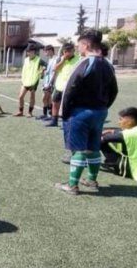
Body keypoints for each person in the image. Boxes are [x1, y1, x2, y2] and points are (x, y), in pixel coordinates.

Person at [55, 29, 118, 195]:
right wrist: (103, 106)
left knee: (78, 150)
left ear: (86, 45)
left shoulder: (85, 63)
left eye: (79, 45)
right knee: (93, 148)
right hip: (100, 112)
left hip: (80, 113)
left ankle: (72, 185)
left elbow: (70, 89)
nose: (77, 48)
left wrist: (65, 112)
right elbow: (114, 90)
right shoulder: (107, 64)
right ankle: (91, 180)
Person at [100, 107, 137, 181]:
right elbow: (120, 132)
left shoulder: (127, 135)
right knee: (109, 136)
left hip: (128, 170)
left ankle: (87, 162)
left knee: (100, 141)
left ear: (130, 121)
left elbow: (104, 138)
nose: (118, 122)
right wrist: (111, 130)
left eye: (121, 119)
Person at [45, 43, 80, 128]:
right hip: (59, 86)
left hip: (70, 87)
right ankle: (54, 121)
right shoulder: (60, 59)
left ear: (73, 51)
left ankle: (68, 123)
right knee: (55, 103)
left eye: (69, 51)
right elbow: (55, 69)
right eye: (65, 51)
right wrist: (63, 60)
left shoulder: (79, 59)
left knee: (68, 105)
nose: (67, 53)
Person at [15, 44, 45, 117]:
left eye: (30, 52)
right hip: (25, 81)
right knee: (20, 97)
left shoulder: (39, 60)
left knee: (32, 97)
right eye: (28, 52)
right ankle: (20, 111)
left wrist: (42, 72)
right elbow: (24, 70)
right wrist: (22, 79)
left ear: (34, 52)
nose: (29, 53)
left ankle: (30, 112)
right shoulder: (26, 60)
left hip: (33, 82)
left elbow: (45, 67)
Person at [39, 45, 58, 121]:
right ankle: (45, 114)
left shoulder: (55, 59)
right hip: (46, 81)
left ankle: (50, 114)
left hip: (51, 82)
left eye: (46, 51)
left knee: (47, 98)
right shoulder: (50, 59)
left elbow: (54, 72)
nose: (45, 53)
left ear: (50, 50)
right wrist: (44, 70)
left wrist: (50, 83)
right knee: (45, 98)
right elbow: (50, 71)